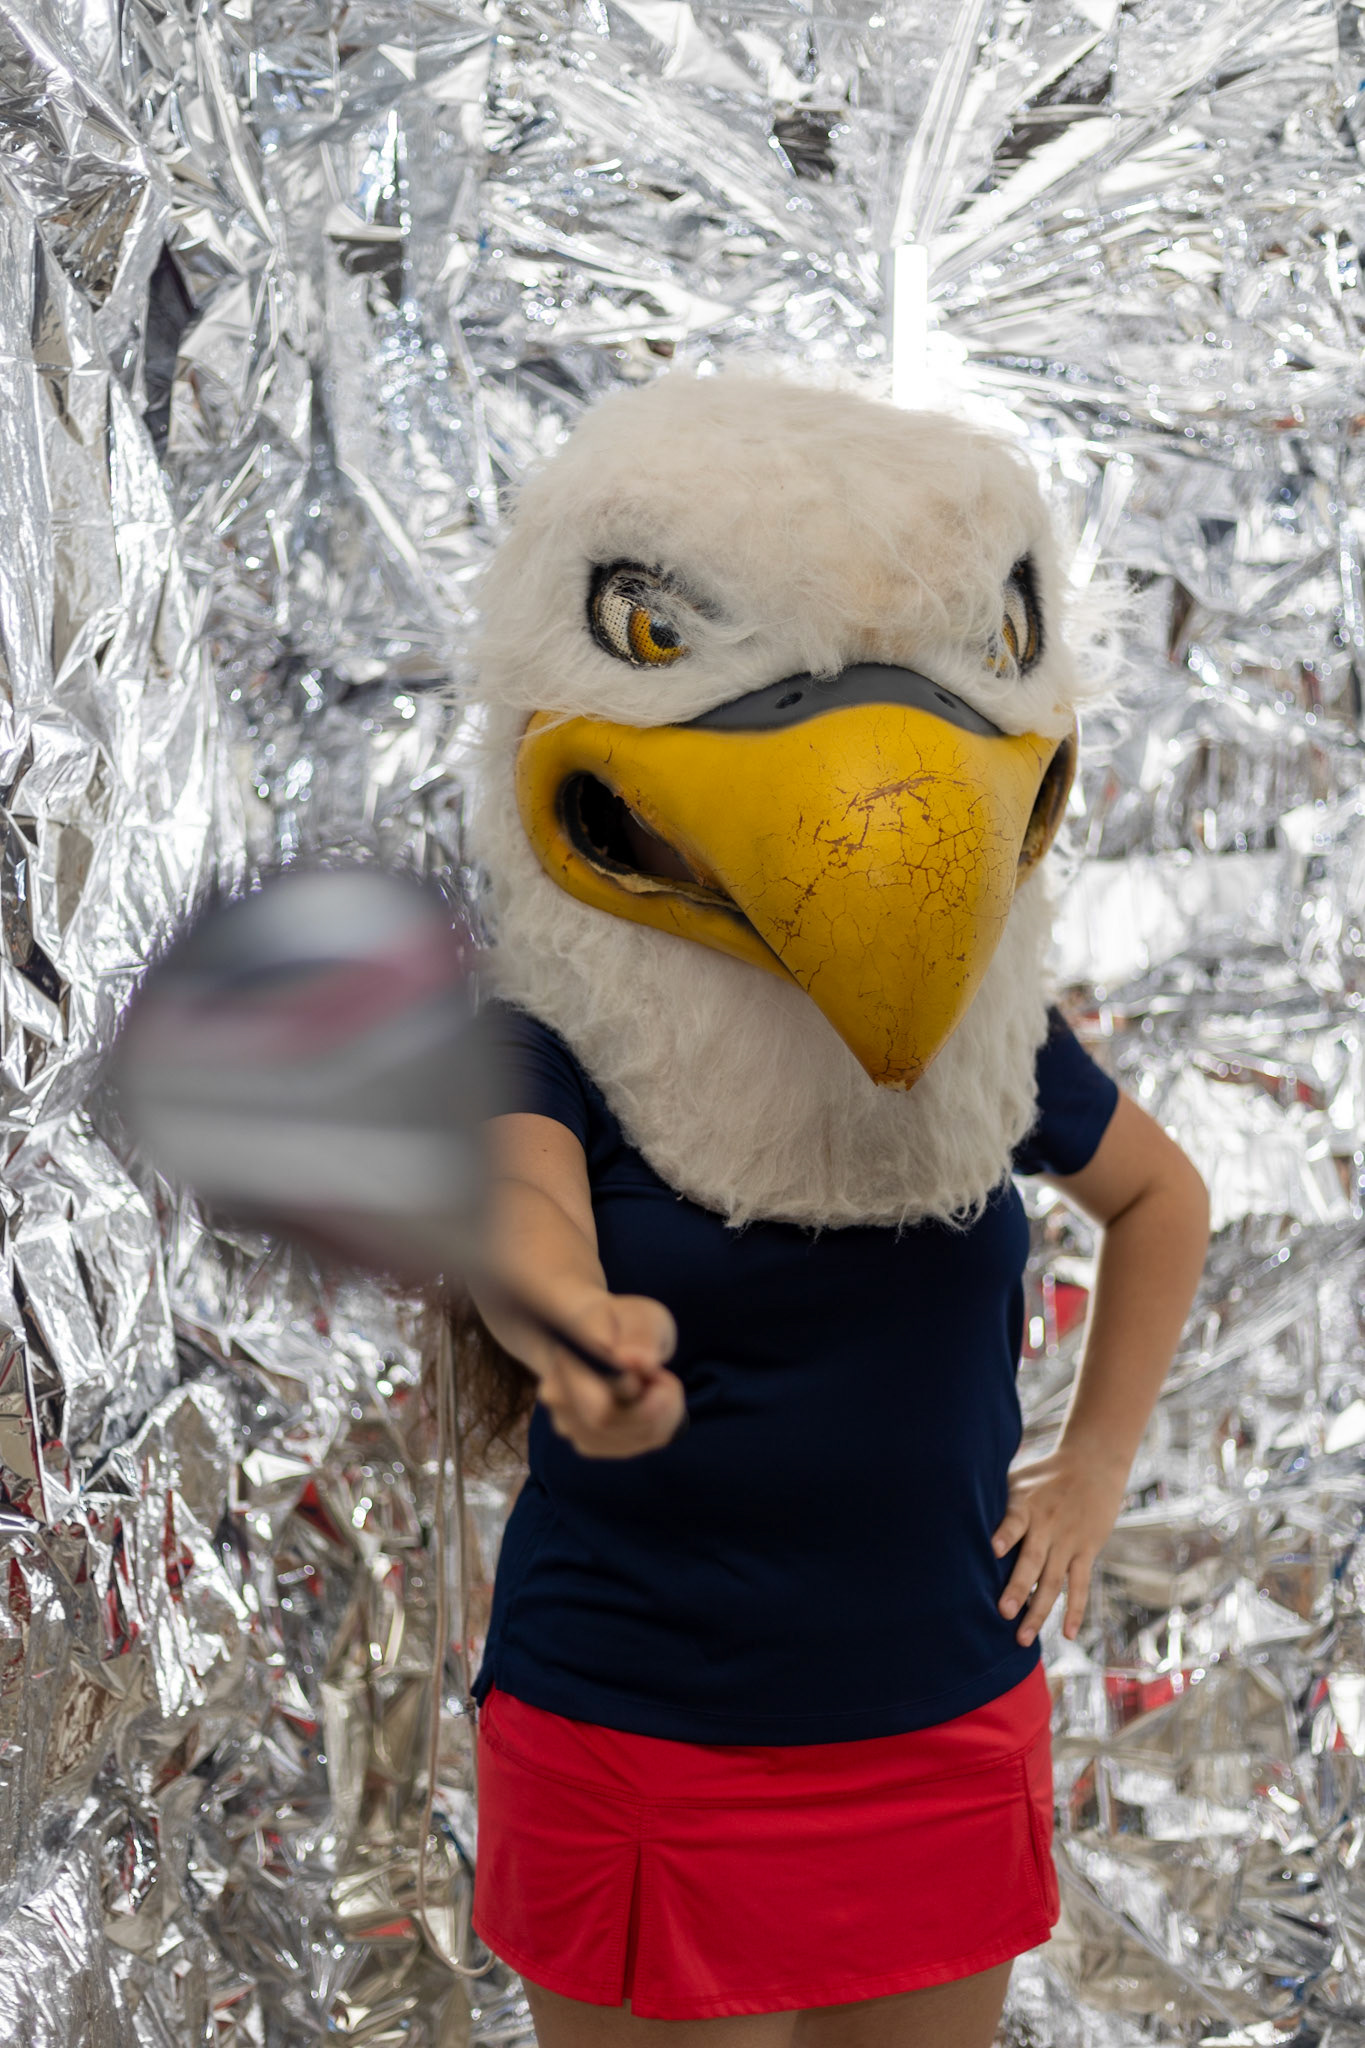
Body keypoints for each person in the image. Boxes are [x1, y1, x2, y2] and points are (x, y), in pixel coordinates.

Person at [458, 375, 1211, 2047]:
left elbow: (1160, 1197)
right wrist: (570, 1324)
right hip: (644, 1735)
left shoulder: (979, 1041)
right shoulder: (552, 1036)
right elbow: (520, 1208)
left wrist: (1092, 1471)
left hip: (937, 1718)